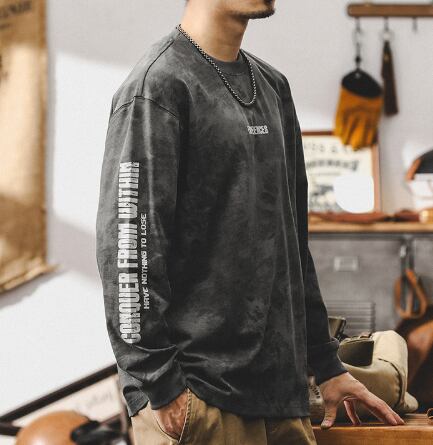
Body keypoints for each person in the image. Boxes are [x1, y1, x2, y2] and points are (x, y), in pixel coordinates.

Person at [95, 1, 405, 443]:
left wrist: (327, 364)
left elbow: (292, 246)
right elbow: (127, 251)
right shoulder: (157, 87)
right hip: (201, 403)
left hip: (283, 401)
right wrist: (161, 387)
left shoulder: (273, 86)